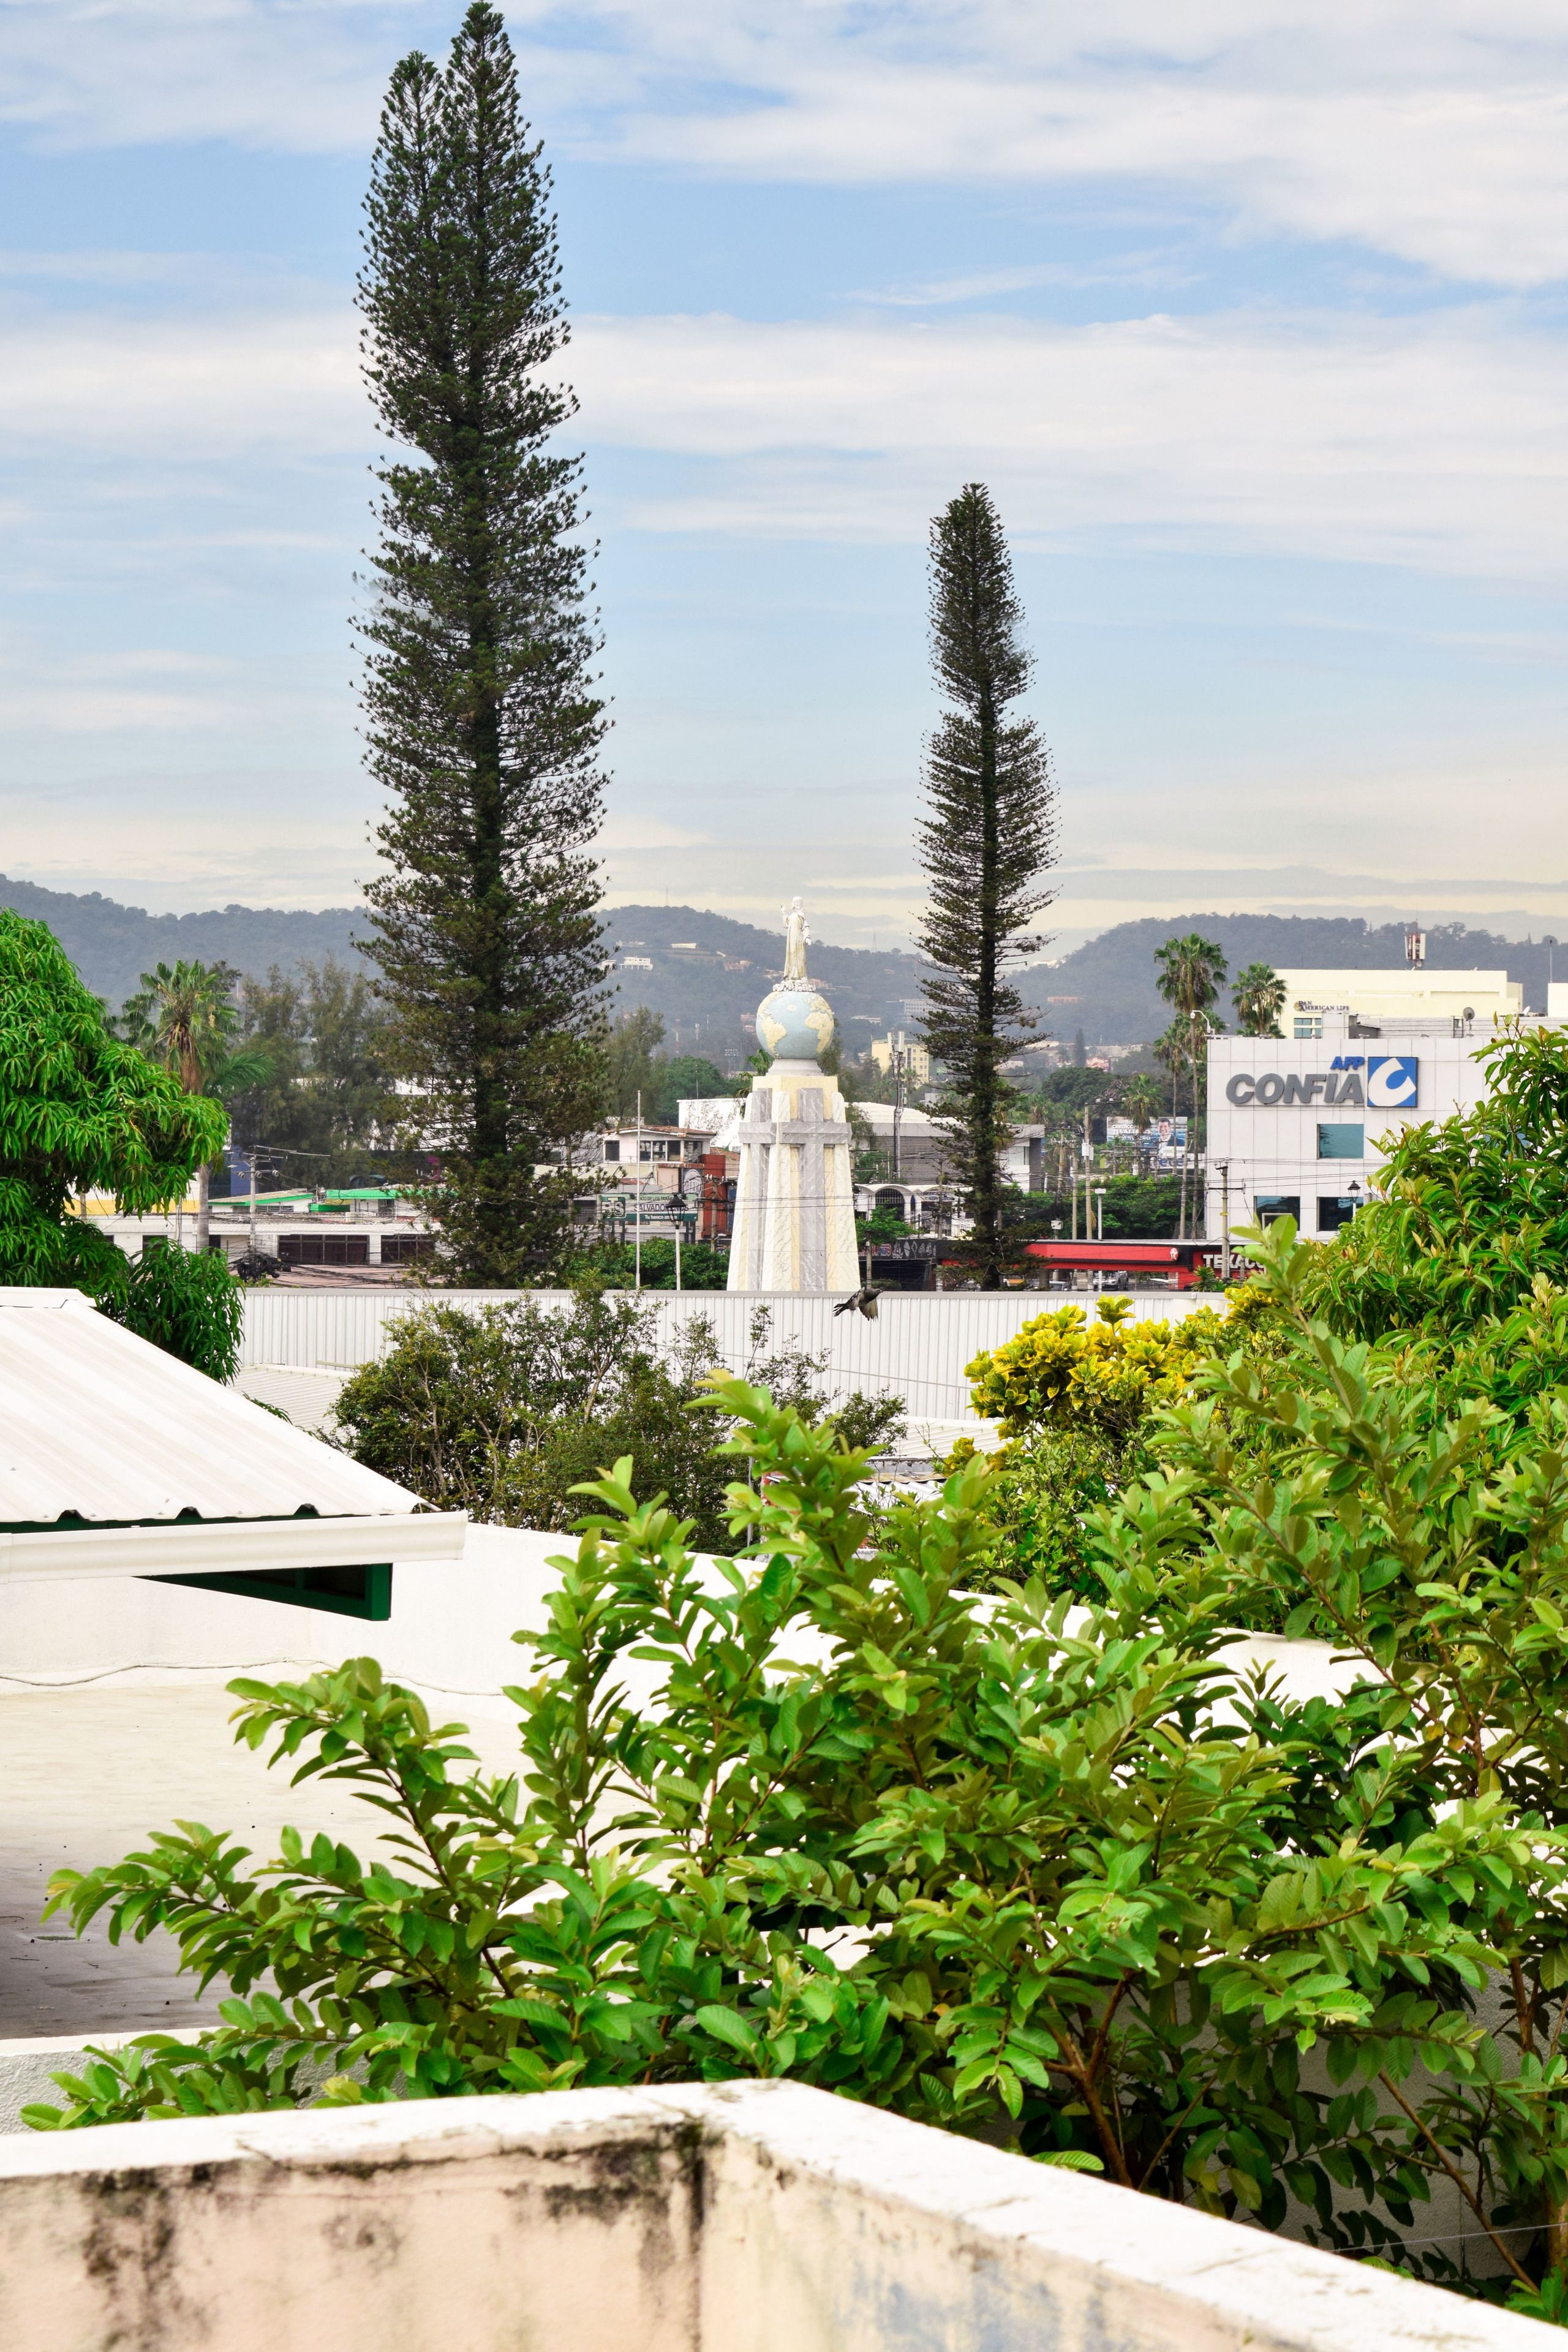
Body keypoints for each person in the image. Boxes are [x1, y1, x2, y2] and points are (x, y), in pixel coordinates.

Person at [782, 895, 811, 983]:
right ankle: (791, 975)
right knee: (791, 956)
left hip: (798, 939)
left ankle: (800, 976)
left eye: (793, 902)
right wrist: (783, 912)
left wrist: (807, 938)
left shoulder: (800, 916)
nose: (791, 904)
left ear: (796, 904)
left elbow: (805, 927)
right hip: (791, 940)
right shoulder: (792, 916)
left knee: (799, 957)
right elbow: (785, 925)